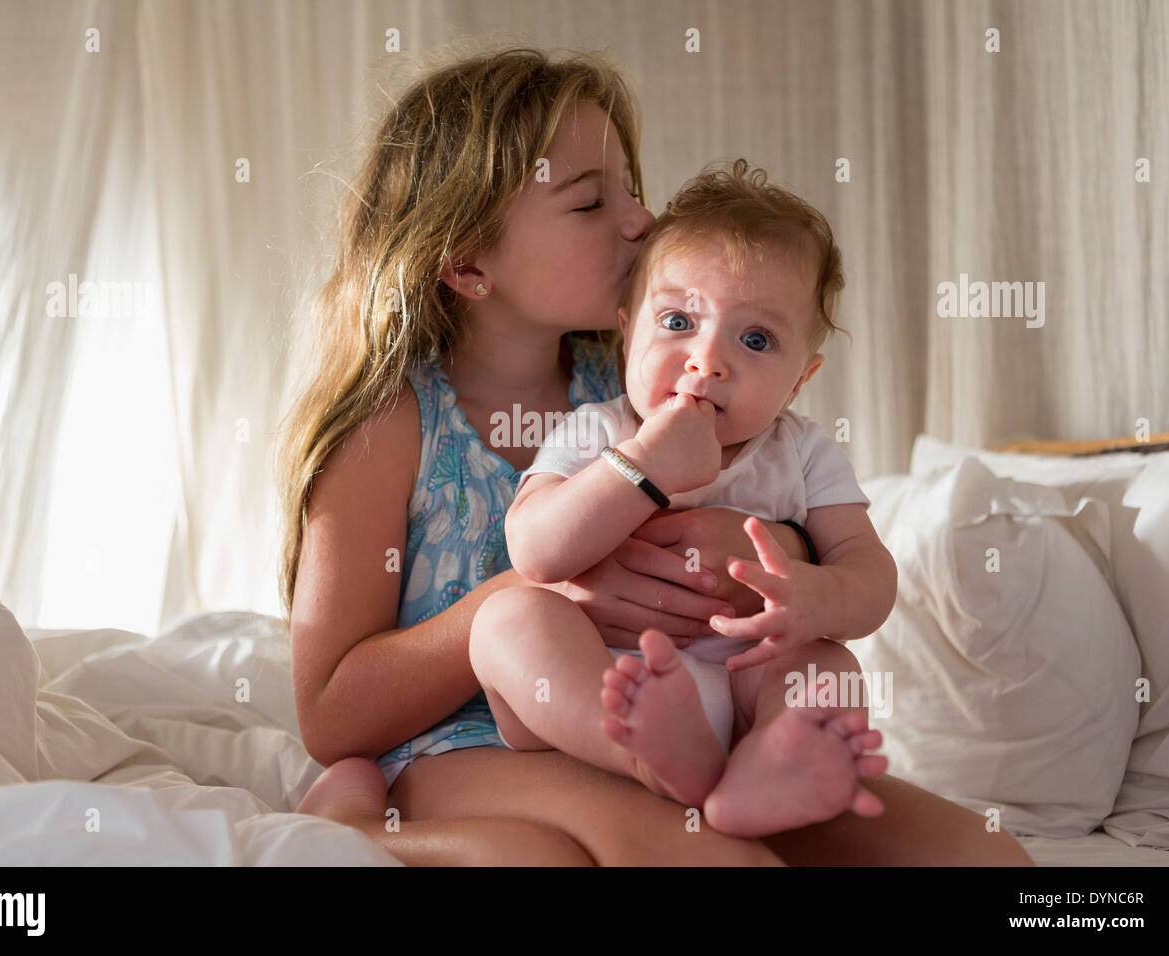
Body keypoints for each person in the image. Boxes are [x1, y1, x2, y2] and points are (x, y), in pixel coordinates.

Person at [280, 46, 1033, 866]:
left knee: (988, 861)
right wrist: (553, 580)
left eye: (632, 190)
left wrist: (775, 552)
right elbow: (330, 717)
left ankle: (724, 772)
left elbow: (789, 497)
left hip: (697, 711)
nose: (640, 220)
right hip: (465, 745)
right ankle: (356, 829)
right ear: (467, 262)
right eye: (590, 202)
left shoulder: (644, 376)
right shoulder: (391, 424)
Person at [469, 159, 893, 837]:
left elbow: (871, 572)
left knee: (827, 667)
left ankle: (773, 770)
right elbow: (535, 550)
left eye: (755, 339)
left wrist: (819, 597)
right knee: (505, 624)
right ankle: (645, 755)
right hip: (604, 682)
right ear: (625, 330)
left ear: (798, 382)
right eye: (676, 320)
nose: (708, 359)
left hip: (748, 681)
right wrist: (641, 468)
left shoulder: (803, 452)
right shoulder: (600, 430)